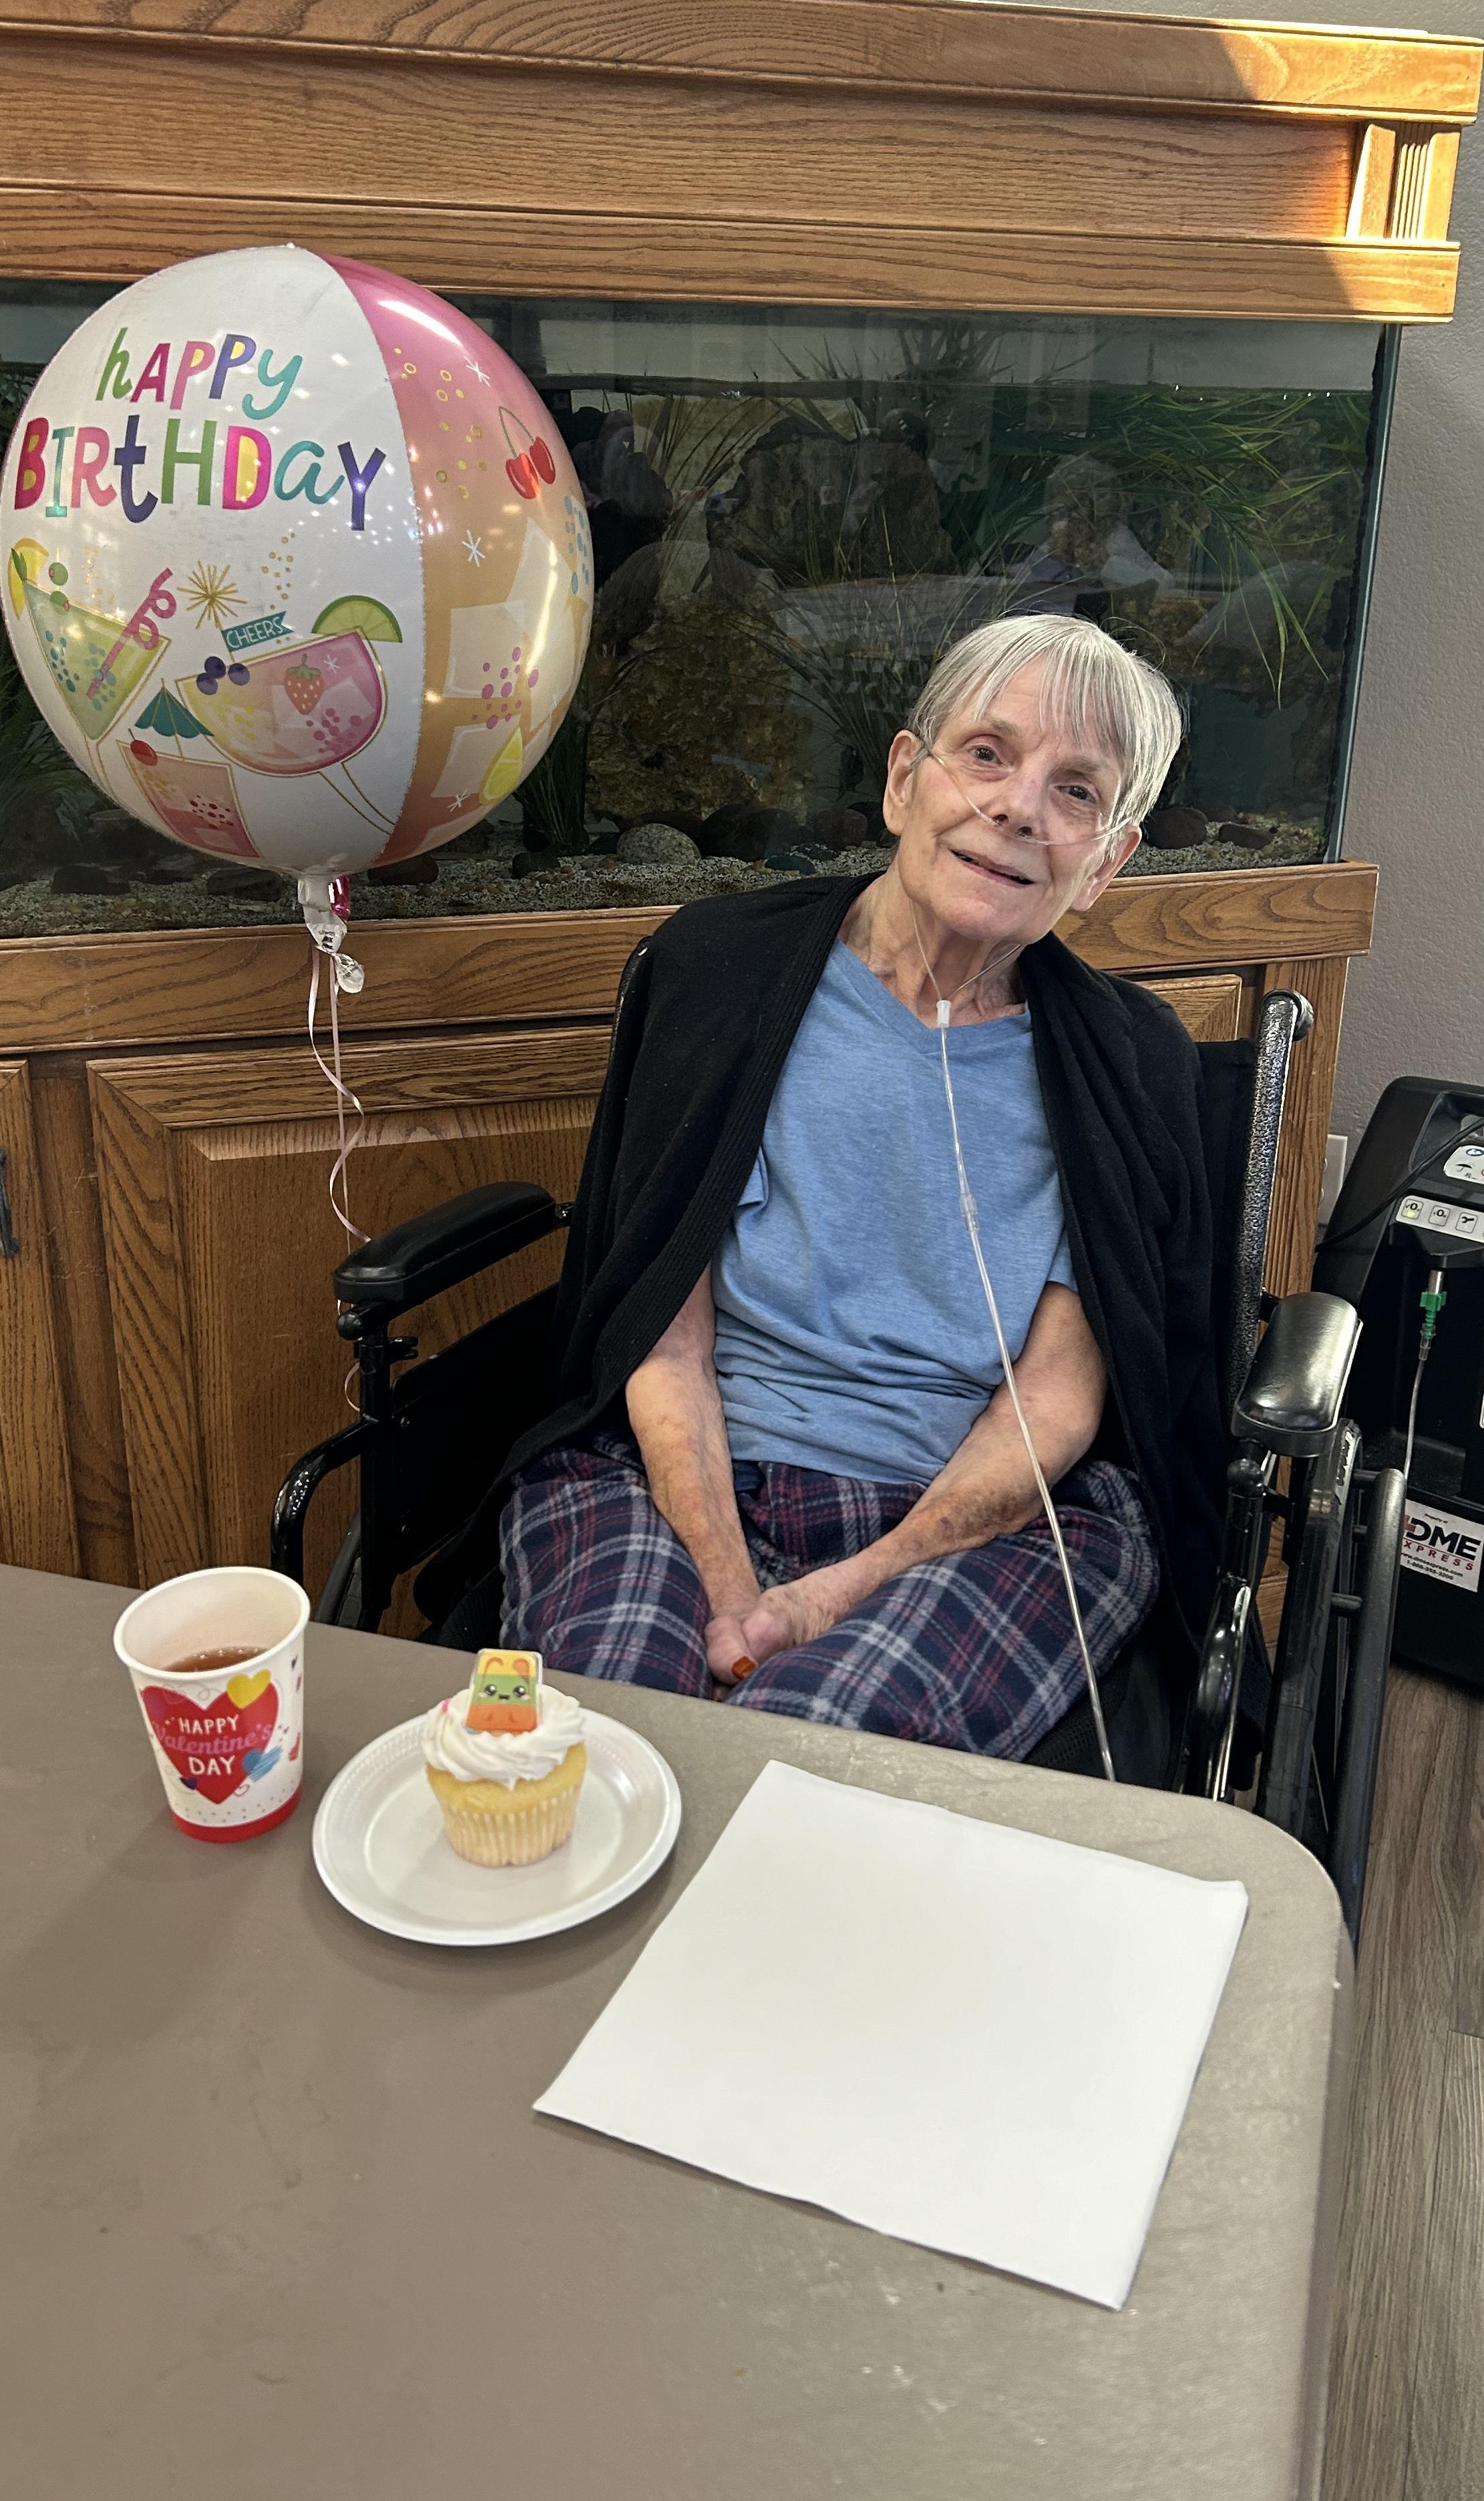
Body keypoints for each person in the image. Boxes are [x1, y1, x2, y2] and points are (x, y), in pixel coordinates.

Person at [496, 615, 1226, 1762]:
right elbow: (662, 1340)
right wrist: (731, 1587)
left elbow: (1056, 1403)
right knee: (604, 1751)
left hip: (985, 1525)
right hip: (681, 1471)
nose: (1018, 808)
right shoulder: (718, 973)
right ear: (902, 780)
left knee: (812, 1762)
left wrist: (843, 1591)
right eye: (987, 754)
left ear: (1107, 863)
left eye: (1077, 791)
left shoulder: (1128, 1066)